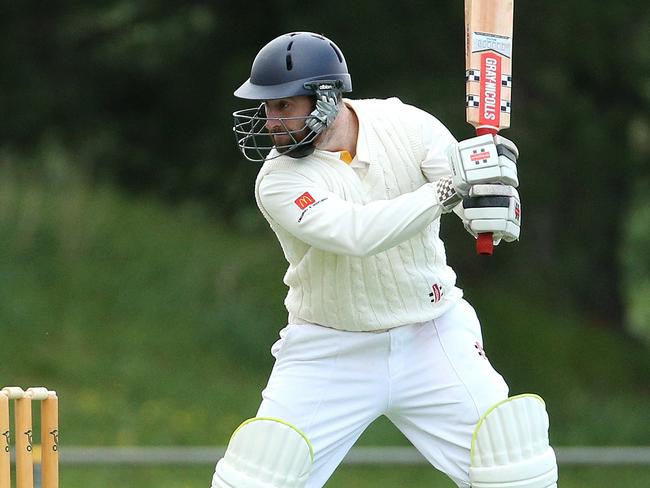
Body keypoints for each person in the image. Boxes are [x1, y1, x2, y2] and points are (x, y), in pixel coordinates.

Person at [212, 32, 557, 488]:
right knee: (257, 478)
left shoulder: (407, 125)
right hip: (329, 346)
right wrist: (452, 187)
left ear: (327, 98)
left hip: (432, 333)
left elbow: (466, 195)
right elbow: (358, 234)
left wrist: (489, 196)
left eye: (283, 106)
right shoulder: (277, 181)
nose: (271, 121)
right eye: (268, 107)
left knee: (512, 467)